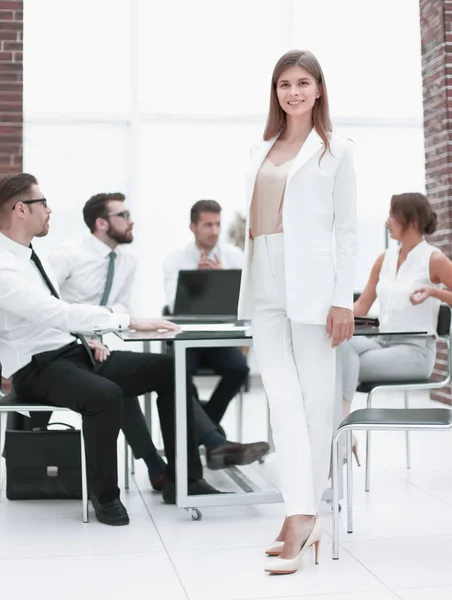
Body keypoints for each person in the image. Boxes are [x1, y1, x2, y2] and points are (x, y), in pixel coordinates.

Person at [0, 173, 228, 526]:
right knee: (105, 394)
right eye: (42, 203)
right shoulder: (4, 266)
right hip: (35, 368)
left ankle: (184, 480)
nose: (49, 210)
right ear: (20, 209)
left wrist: (90, 336)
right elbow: (54, 312)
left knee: (169, 369)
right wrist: (127, 320)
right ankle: (104, 496)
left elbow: (59, 313)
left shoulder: (32, 257)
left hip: (73, 352)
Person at [48, 193, 269, 488]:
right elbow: (47, 305)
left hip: (104, 342)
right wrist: (84, 333)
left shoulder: (127, 260)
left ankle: (194, 450)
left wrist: (103, 319)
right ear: (102, 223)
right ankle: (167, 460)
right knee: (118, 386)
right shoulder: (68, 254)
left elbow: (122, 306)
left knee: (165, 371)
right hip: (68, 342)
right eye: (123, 215)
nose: (131, 220)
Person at [237, 49, 357, 574]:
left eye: (303, 82)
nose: (294, 92)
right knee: (281, 400)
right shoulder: (261, 147)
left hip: (311, 283)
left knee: (312, 403)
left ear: (319, 89)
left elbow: (347, 232)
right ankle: (300, 513)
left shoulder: (337, 150)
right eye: (285, 83)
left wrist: (341, 298)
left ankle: (301, 516)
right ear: (276, 91)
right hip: (263, 274)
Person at [339, 192, 452, 430]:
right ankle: (343, 425)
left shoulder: (434, 259)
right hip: (382, 343)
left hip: (415, 352)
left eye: (393, 216)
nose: (387, 221)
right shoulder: (384, 259)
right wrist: (330, 311)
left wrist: (434, 293)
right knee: (341, 348)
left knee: (338, 364)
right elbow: (361, 307)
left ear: (411, 221)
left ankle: (342, 426)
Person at [163, 200, 249, 427]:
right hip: (185, 337)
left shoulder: (234, 256)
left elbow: (245, 302)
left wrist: (220, 280)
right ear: (193, 227)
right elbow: (173, 305)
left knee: (239, 369)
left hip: (220, 338)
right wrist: (197, 282)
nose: (215, 231)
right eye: (208, 225)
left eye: (218, 225)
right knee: (176, 372)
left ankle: (204, 428)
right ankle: (210, 433)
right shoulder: (175, 258)